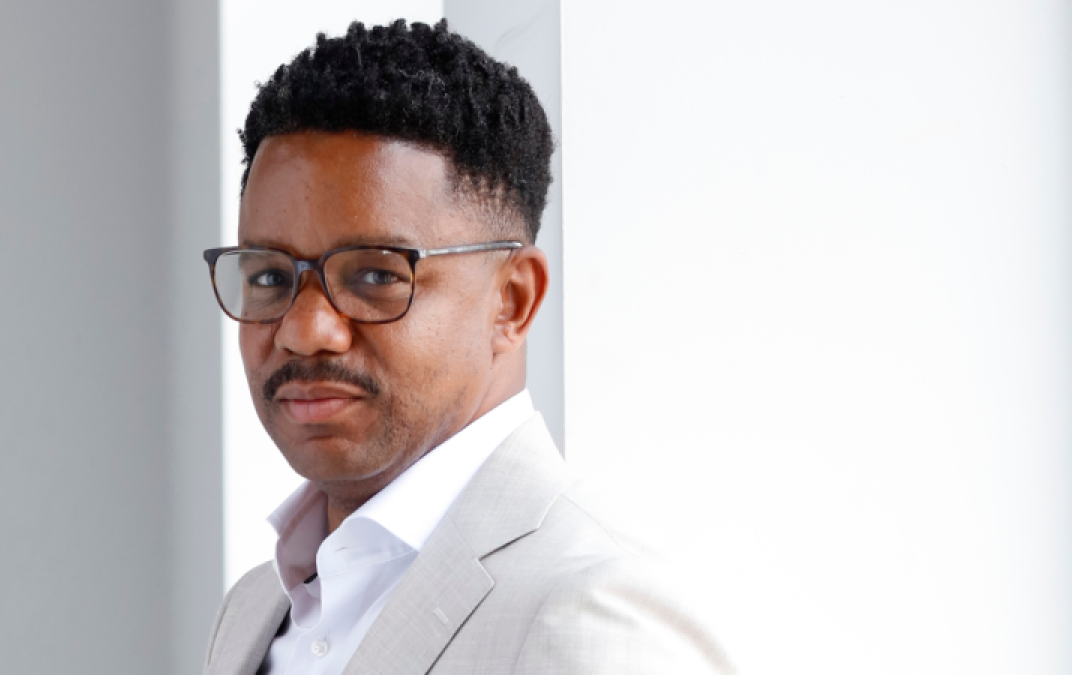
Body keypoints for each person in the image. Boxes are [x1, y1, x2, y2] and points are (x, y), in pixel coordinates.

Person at [201, 19, 731, 675]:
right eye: (270, 276)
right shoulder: (254, 607)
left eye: (375, 274)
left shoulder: (591, 613)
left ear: (512, 300)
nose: (306, 329)